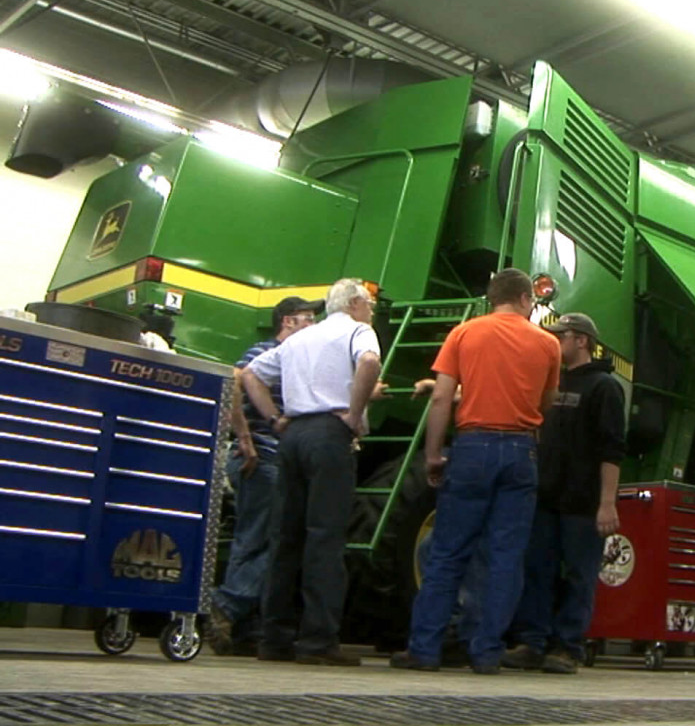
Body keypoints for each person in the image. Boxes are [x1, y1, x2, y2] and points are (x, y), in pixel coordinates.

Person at [391, 268, 560, 674]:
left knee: (447, 551)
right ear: (524, 299)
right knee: (505, 557)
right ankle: (485, 653)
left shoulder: (464, 334)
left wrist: (433, 454)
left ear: (491, 298)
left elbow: (442, 398)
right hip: (521, 451)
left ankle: (425, 650)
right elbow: (546, 403)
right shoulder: (549, 344)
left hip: (471, 448)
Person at [243, 278, 381, 666]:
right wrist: (354, 414)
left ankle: (274, 638)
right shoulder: (358, 330)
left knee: (285, 537)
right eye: (369, 302)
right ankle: (318, 641)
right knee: (324, 536)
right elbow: (370, 362)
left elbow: (251, 375)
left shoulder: (300, 338)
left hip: (293, 436)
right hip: (328, 437)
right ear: (354, 303)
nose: (371, 309)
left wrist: (274, 418)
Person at [503, 312, 625, 675]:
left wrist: (606, 504)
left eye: (562, 336)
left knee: (578, 574)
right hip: (545, 495)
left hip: (582, 502)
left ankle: (568, 647)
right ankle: (532, 642)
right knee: (536, 569)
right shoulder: (551, 382)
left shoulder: (604, 387)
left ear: (581, 341)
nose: (554, 341)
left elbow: (612, 450)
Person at [206, 296, 322, 656]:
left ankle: (237, 631)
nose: (313, 326)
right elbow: (235, 380)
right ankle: (225, 605)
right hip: (263, 458)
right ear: (288, 321)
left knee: (250, 541)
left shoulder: (290, 357)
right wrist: (244, 437)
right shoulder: (268, 352)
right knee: (276, 540)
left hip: (258, 459)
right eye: (307, 319)